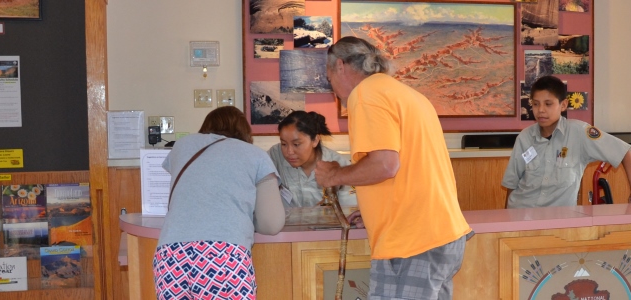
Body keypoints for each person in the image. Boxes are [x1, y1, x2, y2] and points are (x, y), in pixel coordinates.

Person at [315, 36, 473, 300]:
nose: (332, 87)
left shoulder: (365, 95)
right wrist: (374, 210)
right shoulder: (403, 93)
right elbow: (408, 167)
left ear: (340, 66)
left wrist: (334, 175)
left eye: (329, 77)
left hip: (413, 242)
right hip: (438, 236)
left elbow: (385, 165)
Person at [152, 106, 285, 300]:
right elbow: (271, 224)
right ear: (245, 132)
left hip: (170, 256)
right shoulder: (256, 156)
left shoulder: (181, 146)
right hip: (222, 257)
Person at [502, 75, 631, 208]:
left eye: (548, 104)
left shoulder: (579, 133)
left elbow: (622, 151)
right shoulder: (524, 137)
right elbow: (512, 184)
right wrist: (507, 219)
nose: (541, 110)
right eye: (535, 104)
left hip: (560, 222)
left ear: (563, 105)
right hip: (522, 215)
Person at [267, 110, 358, 207]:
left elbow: (349, 208)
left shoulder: (339, 166)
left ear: (315, 140)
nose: (289, 152)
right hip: (287, 222)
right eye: (284, 144)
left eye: (296, 144)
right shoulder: (275, 156)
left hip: (327, 222)